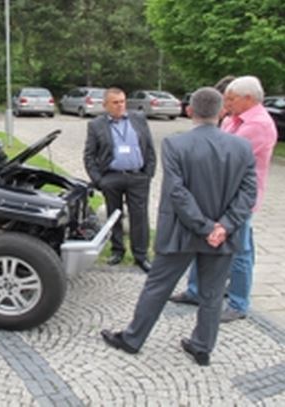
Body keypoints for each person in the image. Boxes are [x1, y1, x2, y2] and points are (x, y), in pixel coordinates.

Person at [100, 87, 257, 366]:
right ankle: (202, 347)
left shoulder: (175, 144)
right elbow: (249, 193)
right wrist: (223, 226)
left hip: (181, 232)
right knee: (212, 294)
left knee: (157, 287)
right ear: (221, 111)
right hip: (222, 235)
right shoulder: (242, 147)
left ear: (189, 110)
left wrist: (205, 226)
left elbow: (177, 191)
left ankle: (133, 339)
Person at [170, 76, 278, 323]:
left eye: (230, 99)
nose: (225, 103)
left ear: (248, 99)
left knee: (240, 251)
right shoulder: (231, 119)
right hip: (216, 193)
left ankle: (238, 303)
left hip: (238, 199)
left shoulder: (259, 125)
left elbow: (225, 156)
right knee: (203, 239)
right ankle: (195, 290)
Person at [84, 87, 156, 272]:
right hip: (112, 176)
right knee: (113, 215)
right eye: (115, 102)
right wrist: (99, 180)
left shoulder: (138, 119)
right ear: (105, 105)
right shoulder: (96, 125)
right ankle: (117, 250)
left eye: (122, 101)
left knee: (140, 217)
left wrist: (148, 173)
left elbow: (149, 148)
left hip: (138, 176)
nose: (120, 105)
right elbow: (89, 156)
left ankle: (141, 255)